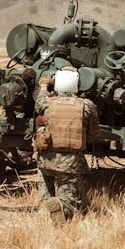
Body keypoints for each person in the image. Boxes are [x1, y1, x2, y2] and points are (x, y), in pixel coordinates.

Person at [33, 66, 99, 225]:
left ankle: (46, 206)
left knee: (47, 180)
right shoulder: (87, 105)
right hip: (70, 164)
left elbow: (38, 103)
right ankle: (63, 207)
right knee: (71, 200)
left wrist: (43, 86)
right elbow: (93, 134)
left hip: (45, 161)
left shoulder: (47, 102)